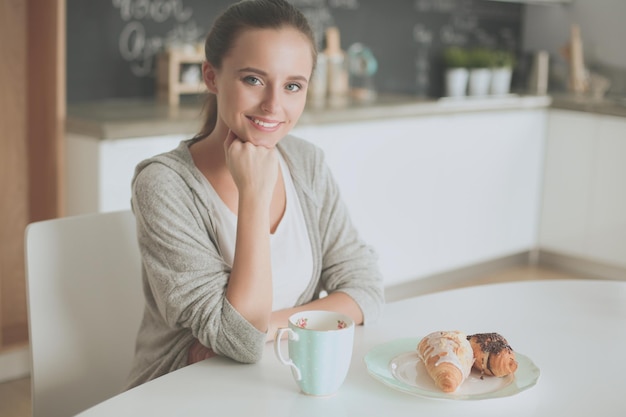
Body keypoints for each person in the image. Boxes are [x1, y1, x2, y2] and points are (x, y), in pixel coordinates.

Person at [125, 0, 384, 390]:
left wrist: (270, 327)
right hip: (185, 390)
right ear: (211, 77)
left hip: (282, 378)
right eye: (254, 80)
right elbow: (241, 341)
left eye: (293, 85)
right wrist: (254, 194)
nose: (273, 105)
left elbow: (365, 289)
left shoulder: (305, 163)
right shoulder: (163, 185)